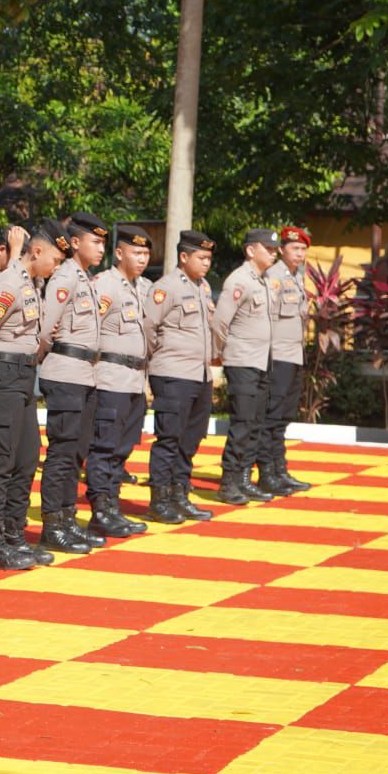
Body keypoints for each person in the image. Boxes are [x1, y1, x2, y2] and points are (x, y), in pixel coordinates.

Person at [0, 222, 63, 569]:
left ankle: (14, 534)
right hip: (3, 375)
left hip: (25, 376)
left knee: (27, 457)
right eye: (55, 259)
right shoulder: (9, 283)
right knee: (0, 460)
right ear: (37, 251)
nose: (56, 267)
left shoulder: (31, 284)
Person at [35, 212, 109, 554]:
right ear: (75, 243)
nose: (101, 248)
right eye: (96, 242)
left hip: (85, 373)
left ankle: (67, 518)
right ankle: (53, 524)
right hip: (65, 372)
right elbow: (44, 329)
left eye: (103, 242)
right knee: (62, 452)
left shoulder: (85, 278)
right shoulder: (65, 276)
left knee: (77, 452)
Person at [144, 230, 218, 525]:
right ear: (184, 257)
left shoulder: (204, 288)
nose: (206, 263)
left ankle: (180, 494)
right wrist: (157, 361)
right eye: (201, 257)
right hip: (173, 374)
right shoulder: (165, 287)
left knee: (191, 439)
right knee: (169, 439)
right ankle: (160, 499)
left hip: (200, 374)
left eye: (209, 258)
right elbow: (148, 328)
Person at [87, 225, 155, 539]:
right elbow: (90, 329)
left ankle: (112, 506)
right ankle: (100, 510)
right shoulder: (105, 285)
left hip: (135, 380)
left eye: (145, 253)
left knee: (123, 449)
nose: (142, 259)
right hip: (110, 378)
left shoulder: (145, 288)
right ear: (119, 253)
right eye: (136, 252)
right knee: (104, 447)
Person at [214, 228, 280, 505]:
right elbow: (220, 322)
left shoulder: (264, 281)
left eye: (275, 249)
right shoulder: (239, 280)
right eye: (269, 249)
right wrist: (220, 354)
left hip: (261, 361)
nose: (274, 253)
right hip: (242, 360)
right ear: (251, 250)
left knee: (255, 422)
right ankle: (228, 481)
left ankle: (244, 478)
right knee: (242, 423)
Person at [262, 227, 313, 494]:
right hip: (277, 356)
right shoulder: (273, 277)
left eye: (303, 249)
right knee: (271, 416)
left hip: (294, 356)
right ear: (282, 250)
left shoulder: (297, 277)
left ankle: (280, 470)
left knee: (284, 416)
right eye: (295, 248)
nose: (300, 254)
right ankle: (267, 472)